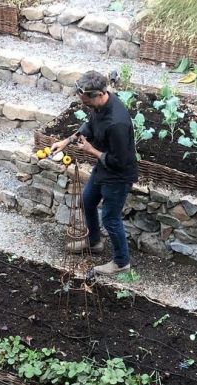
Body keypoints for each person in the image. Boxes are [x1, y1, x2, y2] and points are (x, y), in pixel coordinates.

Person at [50, 70, 138, 277]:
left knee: (110, 218)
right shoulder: (100, 105)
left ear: (98, 94)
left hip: (118, 176)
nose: (85, 106)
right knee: (87, 201)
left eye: (87, 103)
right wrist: (66, 141)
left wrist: (91, 150)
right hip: (103, 168)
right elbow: (89, 125)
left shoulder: (118, 123)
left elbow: (120, 161)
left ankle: (121, 262)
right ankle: (94, 241)